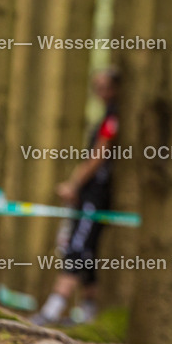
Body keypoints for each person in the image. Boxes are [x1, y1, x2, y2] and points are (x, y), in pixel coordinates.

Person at [31, 68, 121, 326]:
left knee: (77, 248)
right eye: (96, 87)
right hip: (91, 194)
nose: (100, 92)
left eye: (104, 86)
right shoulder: (107, 116)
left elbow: (99, 155)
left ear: (115, 88)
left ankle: (51, 311)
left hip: (96, 195)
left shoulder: (112, 118)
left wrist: (74, 184)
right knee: (87, 249)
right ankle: (88, 312)